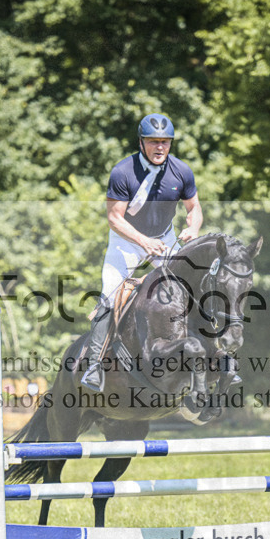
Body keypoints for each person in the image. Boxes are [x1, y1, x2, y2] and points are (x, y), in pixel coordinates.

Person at [81, 113, 203, 392]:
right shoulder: (123, 172)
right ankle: (94, 366)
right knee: (109, 296)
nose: (160, 147)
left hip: (164, 239)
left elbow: (194, 209)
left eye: (165, 142)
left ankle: (212, 355)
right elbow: (114, 218)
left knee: (192, 291)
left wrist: (193, 229)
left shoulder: (181, 171)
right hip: (127, 241)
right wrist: (143, 241)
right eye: (153, 142)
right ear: (141, 142)